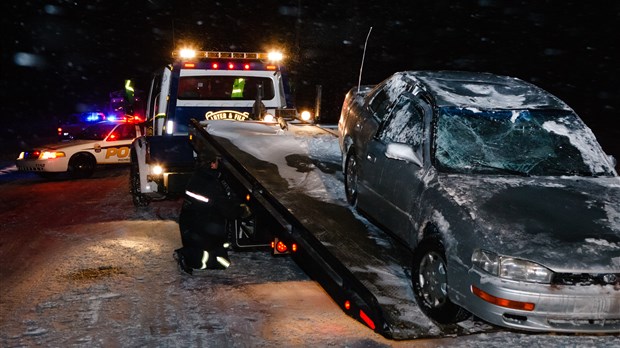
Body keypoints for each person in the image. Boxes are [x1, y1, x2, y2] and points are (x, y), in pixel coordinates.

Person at [174, 156, 251, 274]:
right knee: (207, 257)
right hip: (203, 225)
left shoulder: (198, 176)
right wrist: (242, 211)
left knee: (220, 261)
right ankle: (186, 255)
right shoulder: (210, 183)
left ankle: (192, 255)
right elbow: (223, 205)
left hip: (192, 221)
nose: (218, 164)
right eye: (216, 162)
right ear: (211, 164)